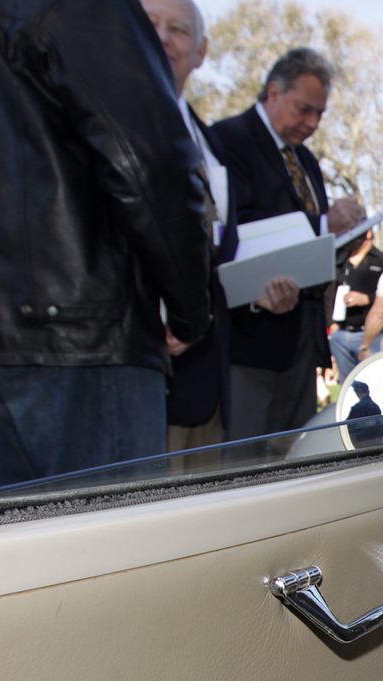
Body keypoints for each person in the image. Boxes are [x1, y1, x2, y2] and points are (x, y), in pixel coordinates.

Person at [0, 0, 210, 487]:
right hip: (82, 329)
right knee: (116, 551)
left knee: (39, 549)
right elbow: (147, 162)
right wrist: (190, 310)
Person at [139, 0, 299, 453]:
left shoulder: (208, 140)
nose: (164, 37)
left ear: (202, 51)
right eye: (150, 24)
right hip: (146, 377)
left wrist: (256, 291)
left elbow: (220, 252)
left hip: (209, 379)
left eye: (178, 29)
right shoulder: (100, 124)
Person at [211, 47, 363, 440]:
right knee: (244, 461)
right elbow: (235, 230)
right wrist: (322, 223)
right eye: (303, 109)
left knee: (292, 454)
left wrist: (342, 234)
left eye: (320, 113)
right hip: (252, 338)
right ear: (273, 93)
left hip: (303, 336)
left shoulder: (307, 161)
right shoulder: (228, 140)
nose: (312, 123)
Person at [330, 228, 383, 384]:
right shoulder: (341, 260)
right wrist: (332, 325)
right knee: (347, 388)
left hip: (371, 336)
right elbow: (329, 293)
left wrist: (367, 299)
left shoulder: (381, 260)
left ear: (367, 233)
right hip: (341, 334)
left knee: (373, 385)